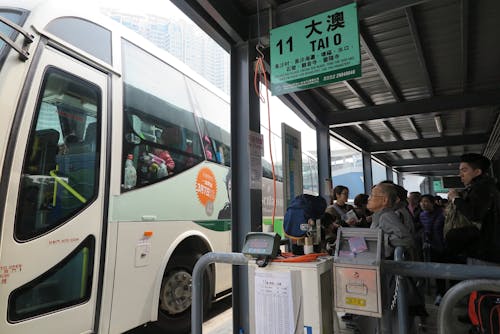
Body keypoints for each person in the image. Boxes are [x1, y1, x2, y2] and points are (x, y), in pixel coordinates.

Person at [447, 153, 500, 264]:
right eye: (460, 170)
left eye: (464, 170)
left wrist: (455, 198)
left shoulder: (481, 188)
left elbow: (474, 214)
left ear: (477, 172)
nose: (460, 174)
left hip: (484, 253)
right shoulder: (488, 186)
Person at [367, 183, 414, 258]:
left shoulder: (387, 216)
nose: (369, 198)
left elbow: (407, 239)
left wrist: (382, 239)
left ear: (385, 200)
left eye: (372, 195)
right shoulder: (378, 215)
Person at [419, 194, 446, 305]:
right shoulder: (421, 215)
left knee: (450, 271)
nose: (423, 204)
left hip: (446, 246)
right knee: (438, 272)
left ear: (433, 202)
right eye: (422, 202)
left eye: (426, 201)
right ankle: (441, 294)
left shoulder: (443, 213)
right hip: (433, 247)